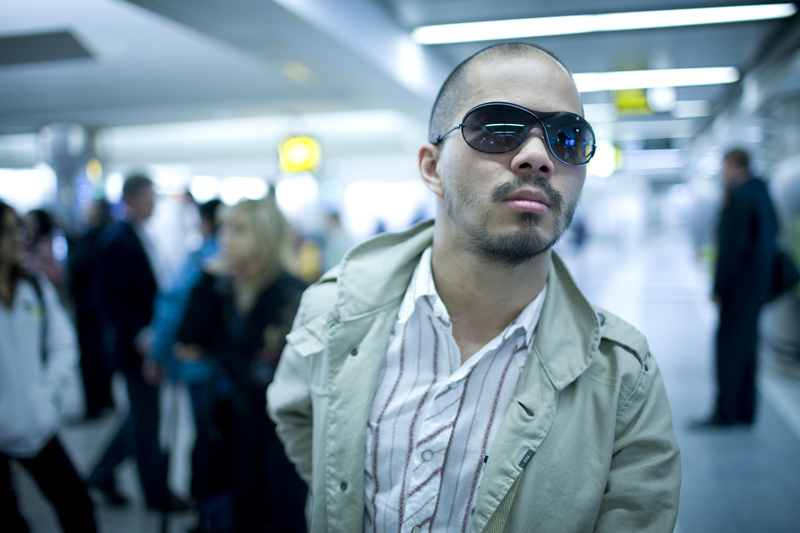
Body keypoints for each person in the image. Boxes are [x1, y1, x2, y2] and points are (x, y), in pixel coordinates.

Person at [268, 42, 681, 532]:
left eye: (566, 137)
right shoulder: (336, 310)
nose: (537, 156)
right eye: (499, 129)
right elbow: (297, 417)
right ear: (431, 168)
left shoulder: (623, 375)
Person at [176, 197, 307, 533]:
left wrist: (217, 346)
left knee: (280, 516)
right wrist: (205, 278)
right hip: (232, 426)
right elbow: (187, 338)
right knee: (239, 514)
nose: (225, 238)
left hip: (279, 433)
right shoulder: (224, 287)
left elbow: (260, 374)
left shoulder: (290, 293)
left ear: (264, 236)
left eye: (239, 229)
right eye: (223, 228)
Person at [85, 175, 188, 512]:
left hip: (144, 340)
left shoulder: (140, 235)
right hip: (134, 347)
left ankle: (102, 472)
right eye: (145, 197)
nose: (152, 203)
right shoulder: (119, 241)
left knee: (141, 416)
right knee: (146, 422)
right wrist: (140, 335)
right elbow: (109, 301)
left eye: (153, 196)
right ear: (128, 200)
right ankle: (156, 495)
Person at [0, 200, 98, 533]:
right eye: (6, 229)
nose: (16, 237)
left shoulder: (34, 288)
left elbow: (63, 344)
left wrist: (47, 395)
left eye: (18, 228)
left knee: (77, 505)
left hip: (37, 423)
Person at [150, 198, 234, 532]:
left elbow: (171, 307)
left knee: (206, 441)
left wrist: (157, 356)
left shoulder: (200, 261)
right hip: (233, 376)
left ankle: (210, 516)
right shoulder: (241, 260)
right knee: (226, 443)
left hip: (202, 371)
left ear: (204, 222)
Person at [701, 148, 779, 426]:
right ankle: (746, 410)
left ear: (732, 165)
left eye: (724, 166)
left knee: (729, 346)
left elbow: (732, 246)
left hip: (738, 285)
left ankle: (726, 411)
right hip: (757, 283)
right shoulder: (762, 192)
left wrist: (719, 286)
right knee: (747, 347)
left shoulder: (739, 195)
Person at [69, 199, 115, 419]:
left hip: (88, 306)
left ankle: (94, 406)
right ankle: (106, 400)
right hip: (101, 307)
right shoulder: (112, 233)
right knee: (101, 355)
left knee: (90, 357)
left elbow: (78, 271)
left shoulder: (91, 237)